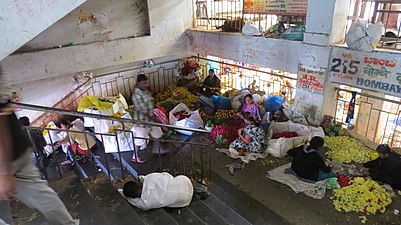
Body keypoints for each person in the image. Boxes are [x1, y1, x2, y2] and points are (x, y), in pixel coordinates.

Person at [0, 68, 77, 224]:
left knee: (40, 192)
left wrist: (3, 173)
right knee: (41, 193)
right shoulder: (34, 133)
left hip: (8, 155)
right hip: (19, 149)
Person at [121, 172, 208, 210]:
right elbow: (166, 175)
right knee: (174, 183)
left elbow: (131, 200)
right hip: (184, 181)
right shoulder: (150, 178)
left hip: (184, 199)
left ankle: (193, 191)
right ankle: (194, 188)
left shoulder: (145, 203)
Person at [131, 73, 163, 163]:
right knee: (140, 138)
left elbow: (150, 103)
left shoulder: (145, 91)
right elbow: (142, 110)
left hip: (150, 118)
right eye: (144, 83)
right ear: (138, 83)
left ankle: (158, 148)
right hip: (142, 120)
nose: (146, 85)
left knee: (157, 132)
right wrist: (154, 119)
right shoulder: (136, 95)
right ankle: (135, 156)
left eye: (146, 83)